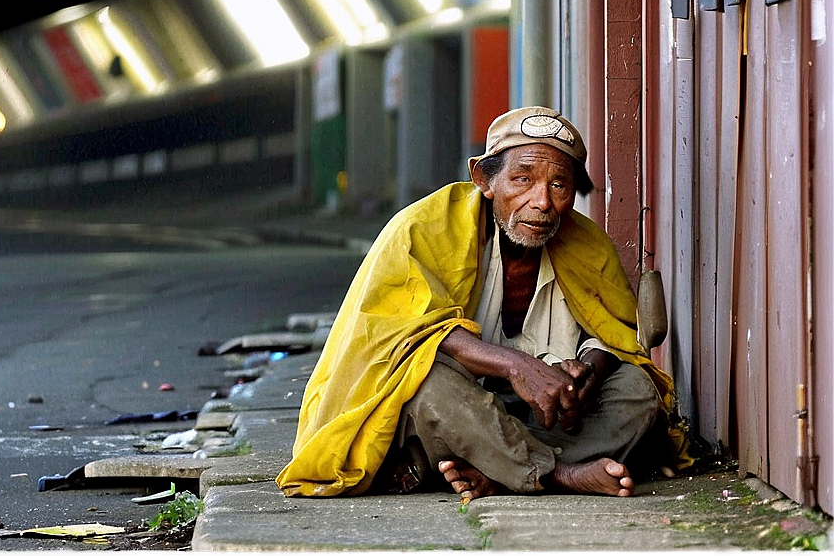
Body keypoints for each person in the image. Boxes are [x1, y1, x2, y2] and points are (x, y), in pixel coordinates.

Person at [276, 107, 688, 502]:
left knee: (637, 390)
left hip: (530, 421)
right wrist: (516, 366)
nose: (542, 202)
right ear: (484, 180)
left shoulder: (588, 245)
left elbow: (613, 335)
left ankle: (494, 468)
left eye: (558, 185)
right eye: (522, 180)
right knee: (428, 381)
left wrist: (586, 374)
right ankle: (555, 474)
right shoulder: (422, 228)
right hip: (451, 407)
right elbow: (406, 335)